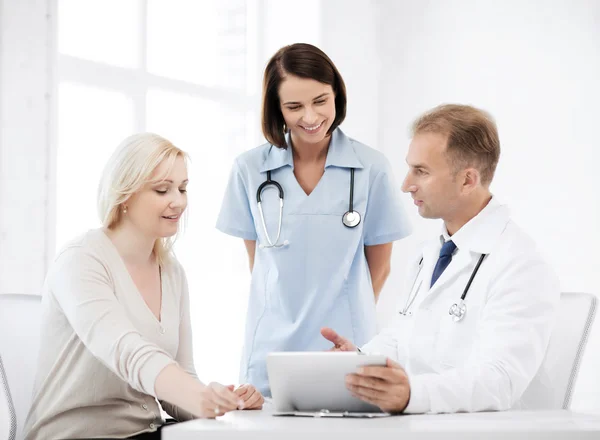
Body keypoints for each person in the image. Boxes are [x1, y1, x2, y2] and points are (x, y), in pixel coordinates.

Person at [321, 104, 560, 414]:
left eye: (421, 171)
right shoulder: (430, 253)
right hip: (426, 427)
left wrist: (412, 395)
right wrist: (359, 363)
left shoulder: (522, 264)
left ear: (467, 180)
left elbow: (499, 380)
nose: (406, 184)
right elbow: (403, 336)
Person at [24, 133, 264, 440]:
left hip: (146, 432)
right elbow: (128, 352)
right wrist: (197, 396)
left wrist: (225, 402)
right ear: (124, 194)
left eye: (183, 188)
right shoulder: (81, 260)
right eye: (162, 190)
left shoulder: (173, 272)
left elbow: (179, 380)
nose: (178, 201)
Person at [216, 43, 411, 396]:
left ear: (337, 94)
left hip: (345, 347)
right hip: (271, 352)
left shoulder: (371, 168)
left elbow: (379, 269)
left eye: (320, 100)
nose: (310, 117)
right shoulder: (249, 170)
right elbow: (258, 263)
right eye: (294, 106)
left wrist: (351, 322)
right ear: (276, 109)